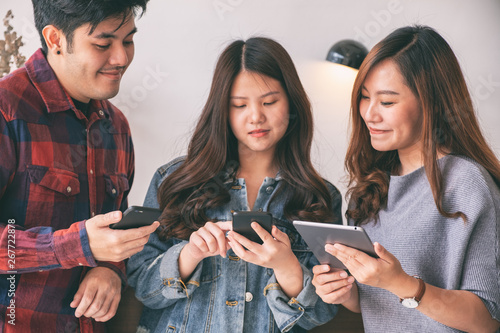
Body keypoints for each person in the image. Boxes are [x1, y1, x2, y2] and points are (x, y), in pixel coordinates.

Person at [127, 36, 342, 332]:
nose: (256, 116)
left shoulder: (319, 198)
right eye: (239, 105)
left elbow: (326, 310)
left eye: (269, 101)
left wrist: (286, 265)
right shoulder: (176, 181)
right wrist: (190, 254)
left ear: (292, 103)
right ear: (222, 111)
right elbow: (142, 285)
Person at [312, 25, 500, 332]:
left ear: (432, 104)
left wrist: (403, 284)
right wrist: (344, 292)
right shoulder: (371, 186)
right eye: (364, 97)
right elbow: (374, 300)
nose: (369, 114)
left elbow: (488, 321)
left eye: (387, 102)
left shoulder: (467, 184)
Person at [0, 0, 159, 332]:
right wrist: (77, 245)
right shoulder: (7, 112)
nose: (122, 58)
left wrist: (110, 268)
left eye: (128, 40)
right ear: (55, 39)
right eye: (103, 44)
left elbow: (116, 234)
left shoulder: (116, 126)